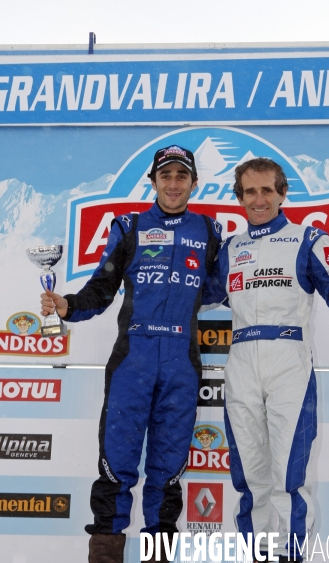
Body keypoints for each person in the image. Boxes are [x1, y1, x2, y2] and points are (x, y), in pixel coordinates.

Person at [41, 145, 222, 563]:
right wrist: (67, 305)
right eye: (165, 176)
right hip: (132, 361)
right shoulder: (129, 226)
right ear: (153, 181)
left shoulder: (211, 233)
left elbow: (218, 290)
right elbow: (101, 289)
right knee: (116, 467)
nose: (173, 184)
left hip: (182, 361)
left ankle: (159, 554)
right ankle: (105, 554)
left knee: (168, 470)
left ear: (194, 183)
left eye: (181, 176)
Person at [203, 157, 329, 563]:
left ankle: (291, 555)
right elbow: (199, 296)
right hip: (241, 360)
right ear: (239, 198)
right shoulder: (232, 248)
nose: (259, 199)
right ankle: (256, 554)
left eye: (267, 190)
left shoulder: (305, 238)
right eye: (250, 192)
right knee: (250, 475)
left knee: (288, 476)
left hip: (289, 362)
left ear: (282, 193)